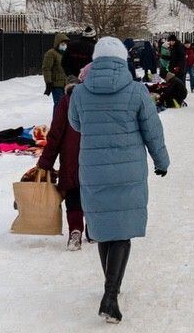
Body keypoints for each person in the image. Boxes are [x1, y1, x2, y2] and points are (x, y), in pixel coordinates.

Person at [68, 37, 170, 324]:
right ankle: (110, 295)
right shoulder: (136, 91)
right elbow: (153, 130)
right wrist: (161, 162)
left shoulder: (80, 93)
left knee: (104, 228)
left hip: (94, 169)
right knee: (122, 231)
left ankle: (110, 289)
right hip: (128, 171)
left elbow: (76, 124)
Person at [36, 62, 91, 250]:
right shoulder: (95, 101)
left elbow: (56, 134)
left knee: (74, 194)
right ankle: (93, 229)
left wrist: (46, 161)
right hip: (95, 156)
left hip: (71, 158)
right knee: (92, 193)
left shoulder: (65, 103)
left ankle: (75, 231)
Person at [42, 33, 69, 106]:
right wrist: (48, 82)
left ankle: (61, 117)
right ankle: (56, 117)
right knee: (59, 105)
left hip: (65, 84)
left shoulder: (65, 54)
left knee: (65, 105)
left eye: (65, 43)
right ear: (58, 43)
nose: (64, 45)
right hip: (56, 84)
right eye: (62, 43)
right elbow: (47, 69)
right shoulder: (51, 53)